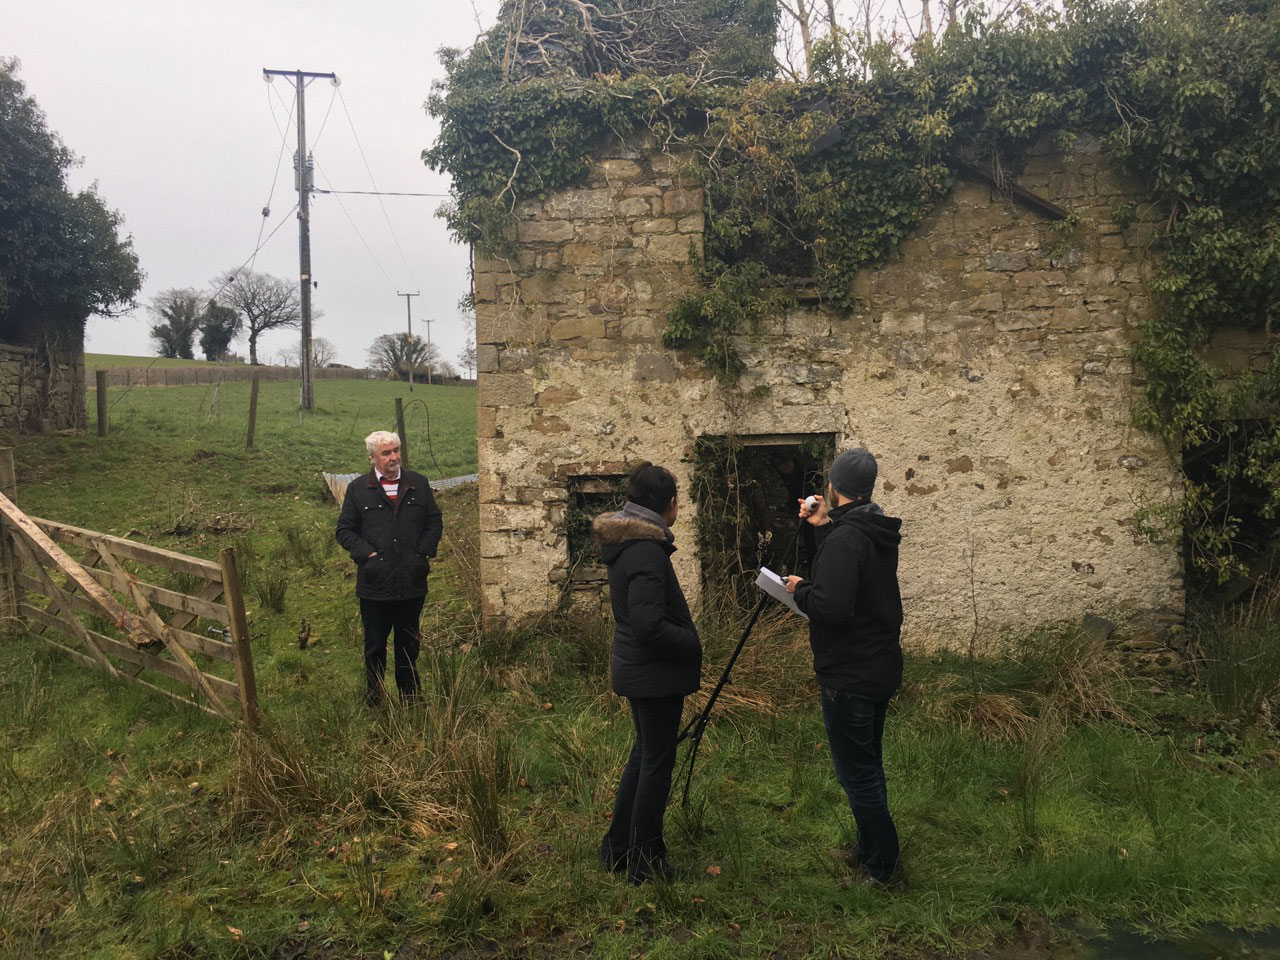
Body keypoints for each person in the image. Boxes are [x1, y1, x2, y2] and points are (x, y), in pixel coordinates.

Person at [784, 448, 904, 888]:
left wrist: (799, 591)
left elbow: (831, 607)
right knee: (866, 765)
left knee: (858, 773)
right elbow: (847, 580)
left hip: (850, 675)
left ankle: (884, 869)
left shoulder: (847, 538)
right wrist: (822, 529)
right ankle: (871, 847)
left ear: (832, 489)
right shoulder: (870, 529)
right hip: (876, 665)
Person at [592, 462, 702, 884]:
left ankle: (618, 849)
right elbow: (648, 624)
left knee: (645, 757)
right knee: (656, 764)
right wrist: (691, 642)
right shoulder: (645, 550)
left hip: (641, 670)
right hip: (653, 674)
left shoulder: (631, 542)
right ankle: (644, 862)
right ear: (670, 505)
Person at [336, 430, 443, 707]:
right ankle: (375, 699)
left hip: (411, 581)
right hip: (375, 585)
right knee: (375, 646)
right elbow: (345, 531)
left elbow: (433, 521)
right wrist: (368, 555)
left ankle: (411, 697)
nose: (394, 457)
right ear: (373, 457)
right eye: (387, 453)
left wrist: (422, 553)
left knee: (408, 644)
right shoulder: (358, 489)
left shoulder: (418, 484)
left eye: (396, 450)